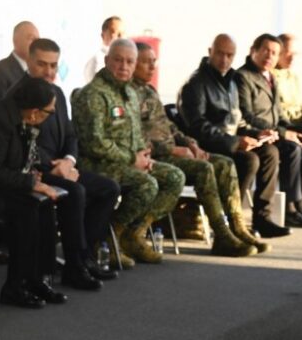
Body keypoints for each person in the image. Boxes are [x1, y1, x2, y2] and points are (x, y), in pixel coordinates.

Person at [133, 42, 263, 256]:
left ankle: (236, 227)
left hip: (172, 150)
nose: (152, 67)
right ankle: (221, 233)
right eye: (146, 62)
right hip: (154, 156)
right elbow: (135, 135)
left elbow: (169, 127)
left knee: (224, 163)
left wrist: (189, 143)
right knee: (204, 168)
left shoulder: (149, 91)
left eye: (154, 61)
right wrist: (174, 150)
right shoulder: (129, 94)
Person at [0, 77, 80, 308]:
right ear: (35, 112)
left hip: (2, 184)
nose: (52, 115)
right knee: (27, 209)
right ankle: (15, 286)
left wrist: (41, 173)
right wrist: (30, 183)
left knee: (44, 204)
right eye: (49, 111)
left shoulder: (21, 118)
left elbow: (22, 159)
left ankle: (38, 278)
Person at [72, 39, 185, 265]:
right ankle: (107, 238)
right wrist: (132, 159)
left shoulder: (130, 93)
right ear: (107, 61)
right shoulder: (93, 94)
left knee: (174, 177)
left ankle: (131, 234)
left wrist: (144, 156)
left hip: (129, 161)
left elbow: (136, 133)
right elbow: (94, 143)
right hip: (97, 164)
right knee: (146, 184)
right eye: (118, 60)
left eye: (129, 61)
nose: (124, 66)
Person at [14, 39, 122, 274]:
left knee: (109, 188)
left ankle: (85, 254)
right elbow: (20, 141)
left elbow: (71, 134)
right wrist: (52, 167)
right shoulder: (18, 94)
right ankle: (75, 265)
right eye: (42, 64)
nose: (49, 71)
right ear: (29, 61)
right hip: (34, 171)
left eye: (53, 65)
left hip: (63, 166)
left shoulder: (58, 93)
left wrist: (69, 161)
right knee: (76, 192)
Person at [178, 34, 289, 238]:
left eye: (230, 55)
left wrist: (256, 133)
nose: (225, 60)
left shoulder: (230, 82)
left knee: (270, 152)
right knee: (249, 160)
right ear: (210, 52)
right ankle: (230, 220)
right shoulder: (196, 83)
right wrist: (235, 142)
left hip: (228, 140)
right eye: (220, 54)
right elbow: (197, 127)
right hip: (207, 144)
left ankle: (262, 218)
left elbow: (237, 120)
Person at [235, 34, 302, 227]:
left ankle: (299, 203)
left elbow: (279, 115)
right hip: (256, 133)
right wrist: (284, 133)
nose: (269, 56)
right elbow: (246, 115)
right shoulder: (243, 77)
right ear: (254, 51)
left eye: (274, 53)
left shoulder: (270, 77)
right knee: (291, 149)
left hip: (274, 131)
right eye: (266, 50)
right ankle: (289, 209)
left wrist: (296, 130)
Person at [0, 21, 39, 103]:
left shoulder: (38, 70)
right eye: (31, 38)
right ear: (15, 41)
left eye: (38, 40)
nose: (36, 44)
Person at [274, 33, 302, 125]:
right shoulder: (267, 77)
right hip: (283, 126)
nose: (292, 58)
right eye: (288, 52)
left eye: (296, 53)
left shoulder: (295, 76)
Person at [83, 16, 124, 84]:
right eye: (115, 32)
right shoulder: (97, 60)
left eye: (123, 33)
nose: (120, 37)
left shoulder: (127, 61)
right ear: (103, 35)